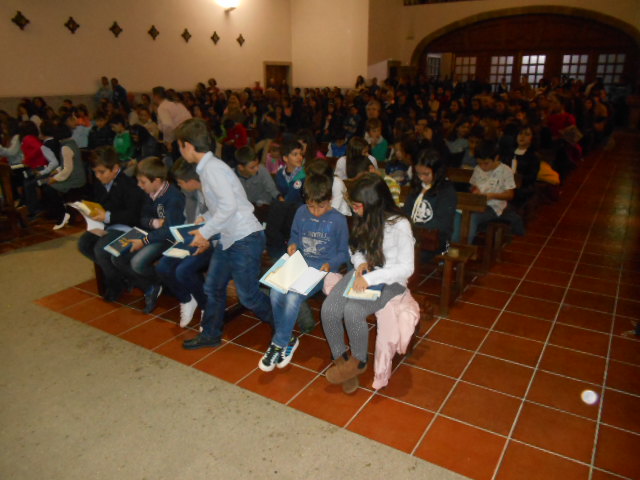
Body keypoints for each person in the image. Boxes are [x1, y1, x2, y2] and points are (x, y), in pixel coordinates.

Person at [176, 118, 273, 350]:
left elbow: (229, 207)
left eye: (180, 145)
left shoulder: (212, 169)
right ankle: (210, 334)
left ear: (188, 145)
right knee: (213, 287)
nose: (180, 150)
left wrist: (205, 232)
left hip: (244, 238)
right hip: (230, 238)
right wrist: (205, 218)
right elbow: (224, 205)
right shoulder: (209, 168)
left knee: (248, 296)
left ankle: (284, 327)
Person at [321, 173, 414, 391]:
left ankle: (359, 360)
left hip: (391, 281)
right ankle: (341, 360)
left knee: (353, 311)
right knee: (329, 310)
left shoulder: (399, 225)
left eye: (357, 206)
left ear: (372, 203)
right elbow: (355, 249)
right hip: (365, 273)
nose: (354, 211)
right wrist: (360, 262)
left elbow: (407, 268)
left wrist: (370, 278)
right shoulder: (364, 217)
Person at [259, 174, 349, 372]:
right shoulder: (301, 212)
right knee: (275, 292)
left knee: (293, 297)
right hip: (300, 263)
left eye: (321, 207)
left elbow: (344, 252)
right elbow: (295, 236)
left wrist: (330, 263)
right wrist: (292, 244)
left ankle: (279, 344)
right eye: (311, 206)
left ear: (330, 200)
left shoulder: (338, 220)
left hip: (321, 270)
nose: (315, 212)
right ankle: (287, 340)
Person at [111, 156, 185, 313]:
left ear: (156, 181)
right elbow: (142, 218)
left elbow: (170, 230)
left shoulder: (174, 197)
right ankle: (150, 285)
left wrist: (145, 240)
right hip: (149, 232)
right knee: (116, 255)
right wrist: (155, 222)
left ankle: (157, 283)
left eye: (143, 182)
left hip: (166, 238)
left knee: (137, 263)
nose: (139, 185)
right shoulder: (149, 192)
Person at [77, 146, 145, 302]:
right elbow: (99, 203)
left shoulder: (129, 185)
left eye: (102, 172)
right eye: (95, 172)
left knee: (101, 249)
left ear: (115, 168)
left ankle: (115, 285)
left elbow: (133, 215)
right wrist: (91, 215)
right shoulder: (100, 182)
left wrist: (107, 217)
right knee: (84, 244)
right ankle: (119, 275)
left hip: (129, 228)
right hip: (108, 225)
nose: (98, 176)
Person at [156, 158, 213, 327]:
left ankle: (206, 306)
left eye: (180, 182)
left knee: (184, 270)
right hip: (191, 237)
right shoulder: (190, 194)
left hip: (211, 242)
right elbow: (188, 221)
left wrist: (204, 224)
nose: (178, 185)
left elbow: (222, 217)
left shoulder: (213, 192)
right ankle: (187, 299)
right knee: (163, 267)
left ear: (192, 181)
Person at [403, 149, 457, 262]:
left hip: (435, 240)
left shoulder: (446, 191)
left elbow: (443, 224)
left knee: (405, 255)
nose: (421, 178)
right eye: (418, 173)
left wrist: (414, 230)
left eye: (426, 174)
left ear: (437, 172)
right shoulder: (417, 187)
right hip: (414, 237)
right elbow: (406, 212)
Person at [41, 122, 87, 230]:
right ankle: (61, 212)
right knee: (48, 185)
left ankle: (62, 214)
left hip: (74, 179)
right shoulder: (72, 143)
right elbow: (65, 165)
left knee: (49, 188)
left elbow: (67, 170)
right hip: (77, 176)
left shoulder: (65, 147)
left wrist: (54, 179)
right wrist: (56, 171)